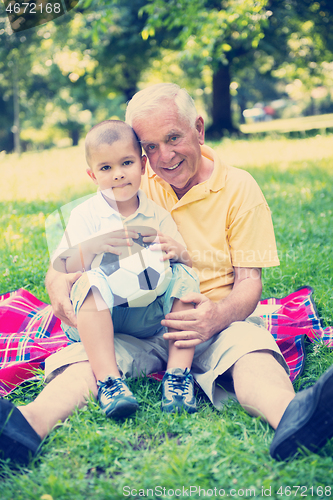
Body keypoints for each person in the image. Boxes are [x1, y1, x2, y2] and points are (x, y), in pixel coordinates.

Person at [1, 83, 333, 466]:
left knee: (250, 349)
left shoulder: (239, 187)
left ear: (199, 129)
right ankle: (23, 427)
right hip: (132, 322)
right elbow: (63, 266)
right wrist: (63, 297)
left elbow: (249, 283)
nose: (164, 157)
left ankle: (293, 417)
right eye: (151, 147)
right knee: (85, 361)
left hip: (208, 320)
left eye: (173, 137)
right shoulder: (131, 183)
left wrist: (215, 318)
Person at [51, 119, 200, 419]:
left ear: (143, 164)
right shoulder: (86, 215)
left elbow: (186, 261)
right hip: (98, 317)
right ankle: (110, 381)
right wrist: (96, 245)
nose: (118, 174)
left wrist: (178, 250)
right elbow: (62, 266)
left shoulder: (156, 215)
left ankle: (178, 376)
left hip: (147, 317)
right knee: (90, 279)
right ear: (93, 175)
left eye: (126, 163)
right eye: (106, 168)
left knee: (186, 275)